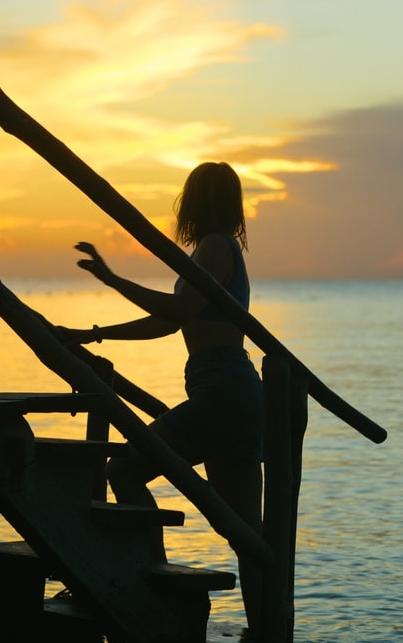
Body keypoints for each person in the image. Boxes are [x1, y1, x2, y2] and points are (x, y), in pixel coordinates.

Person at [58, 162, 263, 638]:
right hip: (228, 389)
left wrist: (111, 281)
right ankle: (266, 629)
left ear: (195, 201)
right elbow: (169, 323)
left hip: (222, 392)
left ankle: (156, 576)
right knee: (246, 535)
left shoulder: (213, 247)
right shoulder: (215, 249)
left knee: (125, 471)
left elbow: (176, 310)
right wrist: (95, 334)